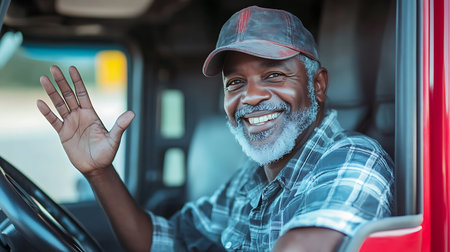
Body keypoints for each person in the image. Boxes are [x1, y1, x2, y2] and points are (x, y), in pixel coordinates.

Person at [36, 6, 394, 252]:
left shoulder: (353, 158)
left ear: (317, 85)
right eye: (235, 83)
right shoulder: (251, 180)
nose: (251, 97)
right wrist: (100, 172)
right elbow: (164, 242)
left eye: (272, 75)